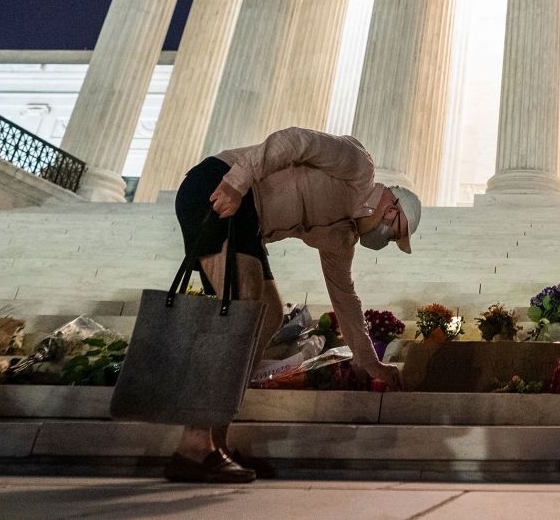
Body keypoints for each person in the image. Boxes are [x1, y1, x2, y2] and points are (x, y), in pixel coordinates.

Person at [165, 126, 421, 483]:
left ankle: (214, 445)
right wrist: (236, 182)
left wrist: (372, 363)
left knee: (266, 315)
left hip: (247, 223)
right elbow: (292, 141)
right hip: (220, 186)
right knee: (244, 311)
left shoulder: (340, 237)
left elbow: (345, 299)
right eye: (395, 233)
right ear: (391, 208)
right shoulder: (357, 165)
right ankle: (194, 446)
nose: (388, 241)